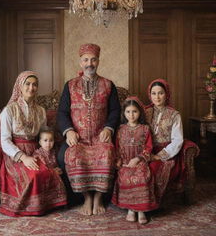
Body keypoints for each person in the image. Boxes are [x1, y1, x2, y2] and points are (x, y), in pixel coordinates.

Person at [57, 43, 121, 216]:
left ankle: (99, 197)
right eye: (86, 60)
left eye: (93, 59)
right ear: (80, 62)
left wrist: (109, 128)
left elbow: (115, 110)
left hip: (101, 138)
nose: (89, 63)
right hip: (78, 138)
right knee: (70, 156)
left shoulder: (108, 85)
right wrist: (68, 131)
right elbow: (62, 112)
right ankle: (86, 197)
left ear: (98, 61)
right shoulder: (70, 85)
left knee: (108, 155)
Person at [0, 71, 67, 217]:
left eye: (34, 84)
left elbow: (44, 136)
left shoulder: (41, 111)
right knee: (36, 175)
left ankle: (47, 204)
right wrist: (23, 157)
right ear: (20, 86)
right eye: (27, 84)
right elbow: (4, 140)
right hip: (16, 155)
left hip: (36, 151)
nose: (31, 88)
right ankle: (32, 207)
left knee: (49, 171)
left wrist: (47, 158)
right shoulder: (9, 110)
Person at [145, 78, 197, 204]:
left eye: (160, 93)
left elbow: (177, 141)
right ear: (149, 94)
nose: (157, 97)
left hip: (167, 153)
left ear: (166, 94)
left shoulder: (174, 115)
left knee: (154, 169)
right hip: (147, 149)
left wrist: (159, 156)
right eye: (154, 93)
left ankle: (153, 204)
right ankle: (139, 203)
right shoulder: (145, 112)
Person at [111, 96, 157, 224]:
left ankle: (141, 210)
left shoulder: (145, 129)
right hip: (125, 162)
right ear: (124, 113)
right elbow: (117, 147)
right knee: (125, 177)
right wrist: (118, 160)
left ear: (140, 112)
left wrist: (138, 159)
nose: (131, 115)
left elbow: (148, 148)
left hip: (140, 161)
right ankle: (131, 209)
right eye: (128, 112)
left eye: (134, 111)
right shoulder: (120, 130)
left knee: (142, 177)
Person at [32, 130, 67, 200]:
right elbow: (41, 168)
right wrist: (52, 171)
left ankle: (60, 201)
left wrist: (58, 169)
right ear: (40, 142)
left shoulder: (54, 152)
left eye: (51, 140)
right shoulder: (38, 154)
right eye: (45, 140)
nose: (48, 143)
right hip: (46, 174)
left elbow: (56, 163)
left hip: (54, 173)